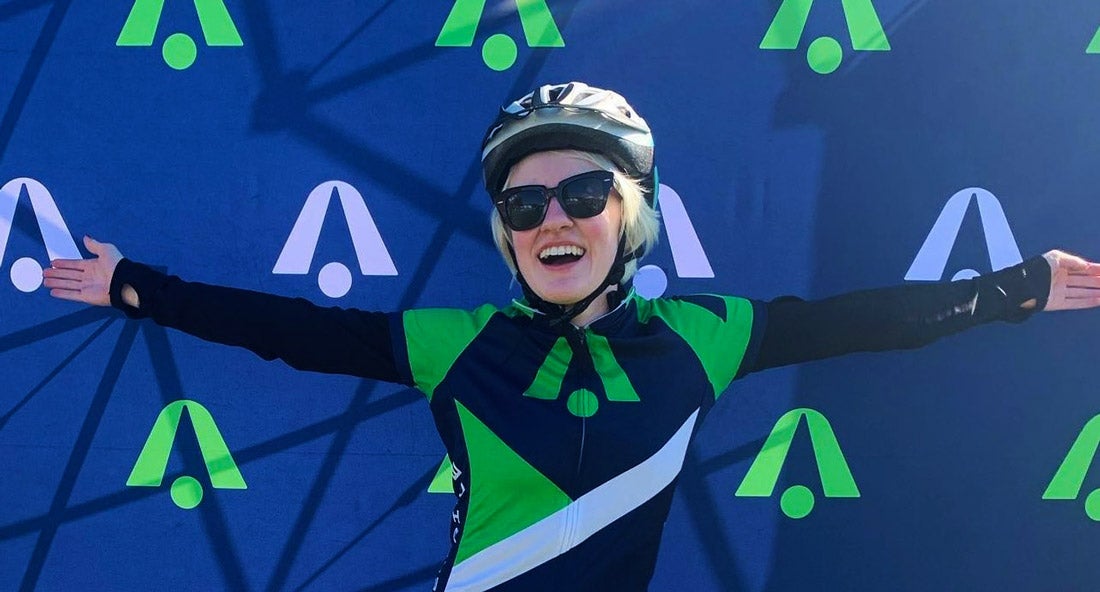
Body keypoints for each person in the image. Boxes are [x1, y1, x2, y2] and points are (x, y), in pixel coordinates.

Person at [43, 82, 1100, 592]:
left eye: (581, 191)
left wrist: (1016, 286)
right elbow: (288, 330)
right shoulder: (453, 343)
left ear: (628, 212)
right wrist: (137, 285)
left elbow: (858, 322)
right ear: (502, 236)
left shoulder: (705, 335)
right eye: (522, 204)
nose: (551, 220)